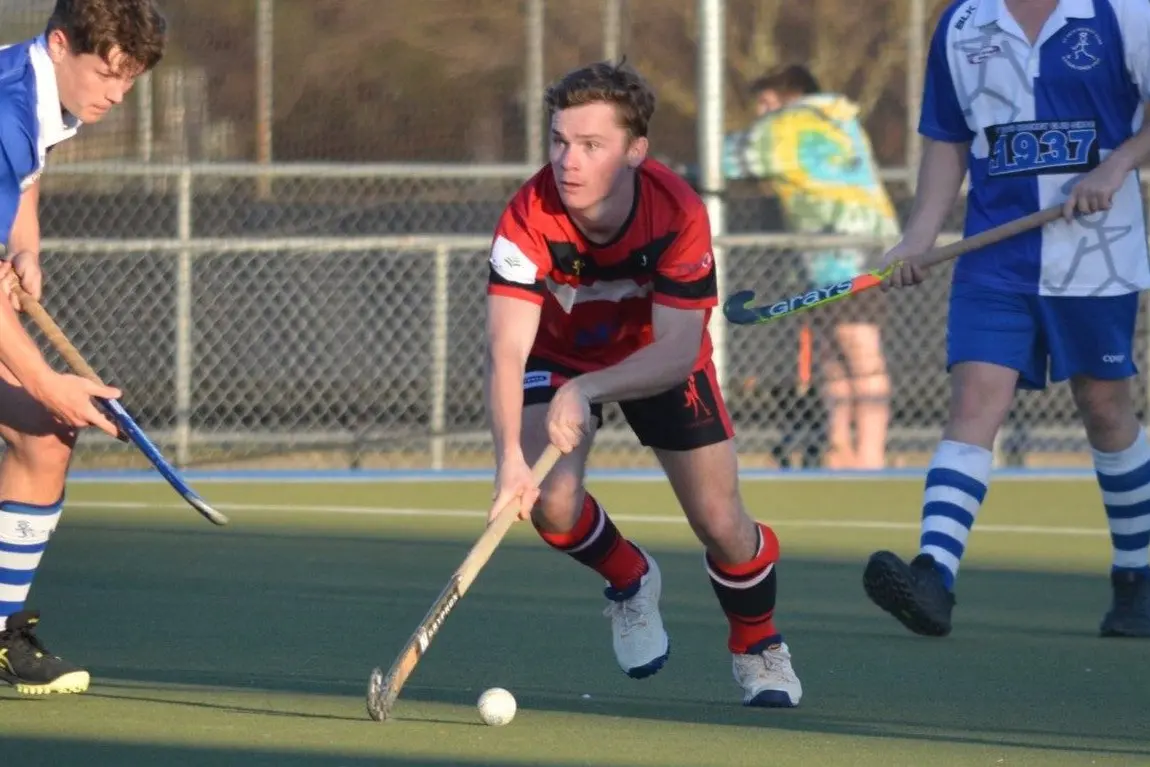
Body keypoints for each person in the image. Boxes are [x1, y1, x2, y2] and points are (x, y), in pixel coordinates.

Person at [483, 60, 803, 708]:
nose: (568, 162)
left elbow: (680, 348)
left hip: (656, 358)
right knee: (551, 503)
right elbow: (506, 350)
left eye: (591, 146)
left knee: (720, 520)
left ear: (635, 150)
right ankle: (629, 580)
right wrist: (509, 459)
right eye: (559, 141)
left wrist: (590, 389)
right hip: (559, 353)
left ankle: (757, 642)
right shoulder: (527, 214)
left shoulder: (677, 212)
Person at [863, 0, 1150, 639]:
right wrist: (918, 236)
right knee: (974, 402)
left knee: (1103, 407)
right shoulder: (963, 24)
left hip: (1097, 255)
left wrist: (1119, 161)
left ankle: (1137, 573)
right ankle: (934, 575)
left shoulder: (1124, 14)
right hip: (994, 257)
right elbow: (948, 140)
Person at [0, 0, 166, 695]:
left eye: (129, 81)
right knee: (45, 401)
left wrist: (22, 247)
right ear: (60, 43)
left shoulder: (42, 100)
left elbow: (26, 181)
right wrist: (47, 380)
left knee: (44, 435)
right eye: (106, 74)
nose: (116, 94)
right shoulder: (7, 108)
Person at [723, 64, 898, 470]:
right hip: (827, 257)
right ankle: (839, 448)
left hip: (849, 255)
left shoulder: (797, 121)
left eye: (767, 103)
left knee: (859, 349)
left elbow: (733, 158)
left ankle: (869, 456)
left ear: (788, 98)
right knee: (830, 355)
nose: (762, 114)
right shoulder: (834, 120)